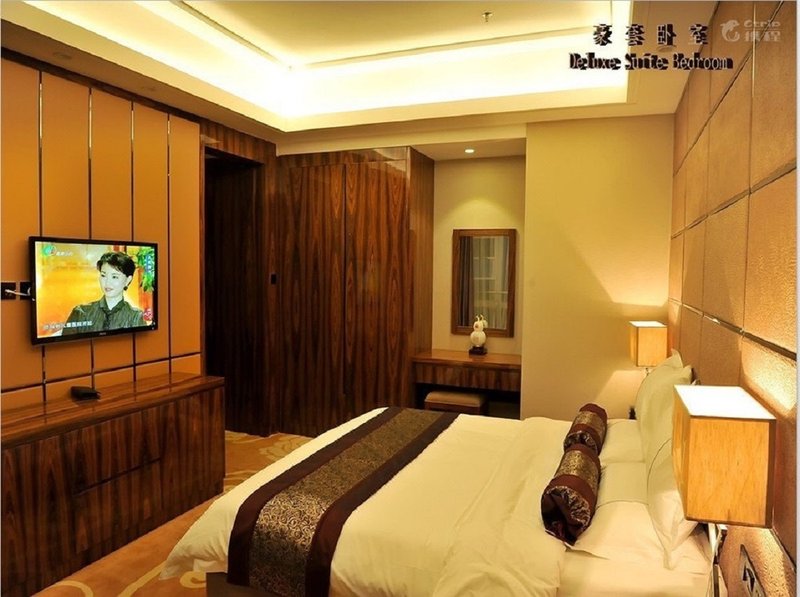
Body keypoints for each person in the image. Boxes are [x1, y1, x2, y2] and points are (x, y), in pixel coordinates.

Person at [62, 251, 146, 334]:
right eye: (103, 275)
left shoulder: (136, 317)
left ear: (128, 280)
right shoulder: (81, 312)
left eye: (114, 277)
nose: (107, 282)